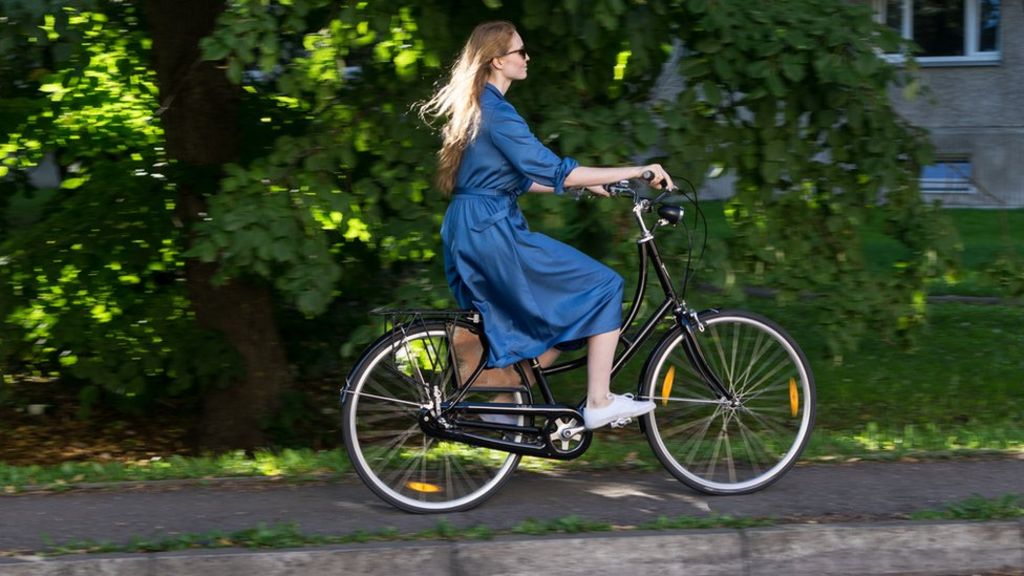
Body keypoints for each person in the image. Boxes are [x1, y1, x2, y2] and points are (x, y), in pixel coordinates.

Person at [417, 21, 674, 430]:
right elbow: (553, 169)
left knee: (557, 312)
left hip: (471, 228)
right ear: (498, 60)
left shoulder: (478, 107)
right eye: (519, 51)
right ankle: (599, 400)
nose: (526, 57)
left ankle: (502, 402)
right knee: (603, 286)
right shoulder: (497, 112)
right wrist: (638, 170)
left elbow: (517, 178)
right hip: (491, 232)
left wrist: (596, 186)